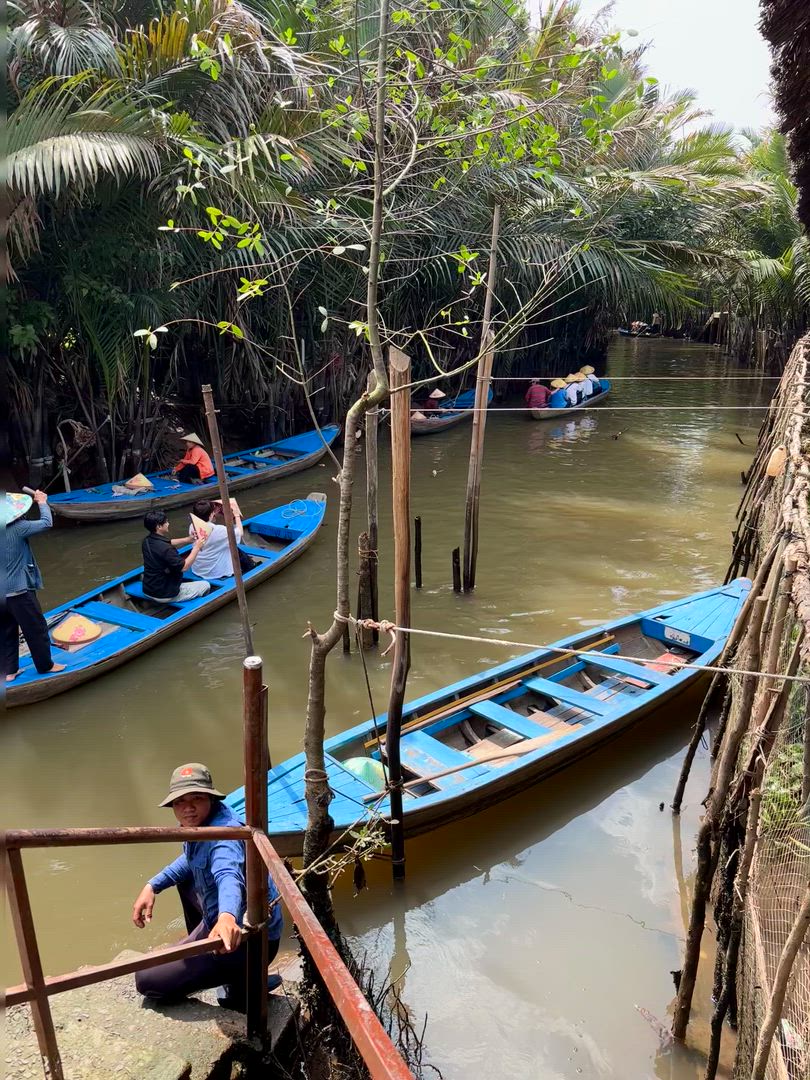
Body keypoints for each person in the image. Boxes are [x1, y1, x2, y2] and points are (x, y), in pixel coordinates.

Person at [132, 763, 283, 1009]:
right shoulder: (204, 822)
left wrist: (226, 918)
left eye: (197, 798)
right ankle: (227, 967)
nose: (188, 808)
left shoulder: (224, 833)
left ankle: (243, 980)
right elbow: (190, 860)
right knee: (188, 877)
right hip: (229, 922)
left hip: (251, 941)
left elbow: (228, 875)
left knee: (147, 980)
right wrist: (153, 885)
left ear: (210, 799)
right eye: (180, 801)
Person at [2, 490, 66, 682]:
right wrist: (42, 502)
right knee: (36, 628)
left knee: (6, 632)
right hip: (19, 591)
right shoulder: (18, 527)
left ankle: (9, 671)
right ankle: (46, 666)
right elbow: (47, 522)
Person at [141, 509, 211, 603]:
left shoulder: (147, 541)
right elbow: (184, 567)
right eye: (166, 522)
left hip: (148, 590)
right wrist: (197, 548)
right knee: (205, 585)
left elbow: (169, 542)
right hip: (164, 594)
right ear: (158, 526)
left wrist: (188, 539)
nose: (168, 524)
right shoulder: (167, 550)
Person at [189, 500, 253, 581]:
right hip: (215, 572)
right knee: (236, 550)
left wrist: (213, 513)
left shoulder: (192, 525)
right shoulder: (218, 530)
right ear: (211, 514)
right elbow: (240, 532)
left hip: (199, 569)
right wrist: (236, 515)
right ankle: (251, 568)